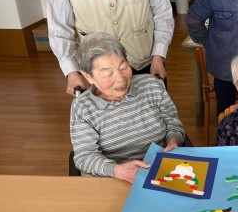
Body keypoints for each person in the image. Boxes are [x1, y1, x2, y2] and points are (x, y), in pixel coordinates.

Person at [70, 33, 185, 183]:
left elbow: (173, 124)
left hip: (163, 169)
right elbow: (85, 157)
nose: (121, 78)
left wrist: (174, 141)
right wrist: (116, 170)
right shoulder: (83, 107)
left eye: (123, 67)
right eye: (108, 73)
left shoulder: (152, 85)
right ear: (88, 76)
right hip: (116, 178)